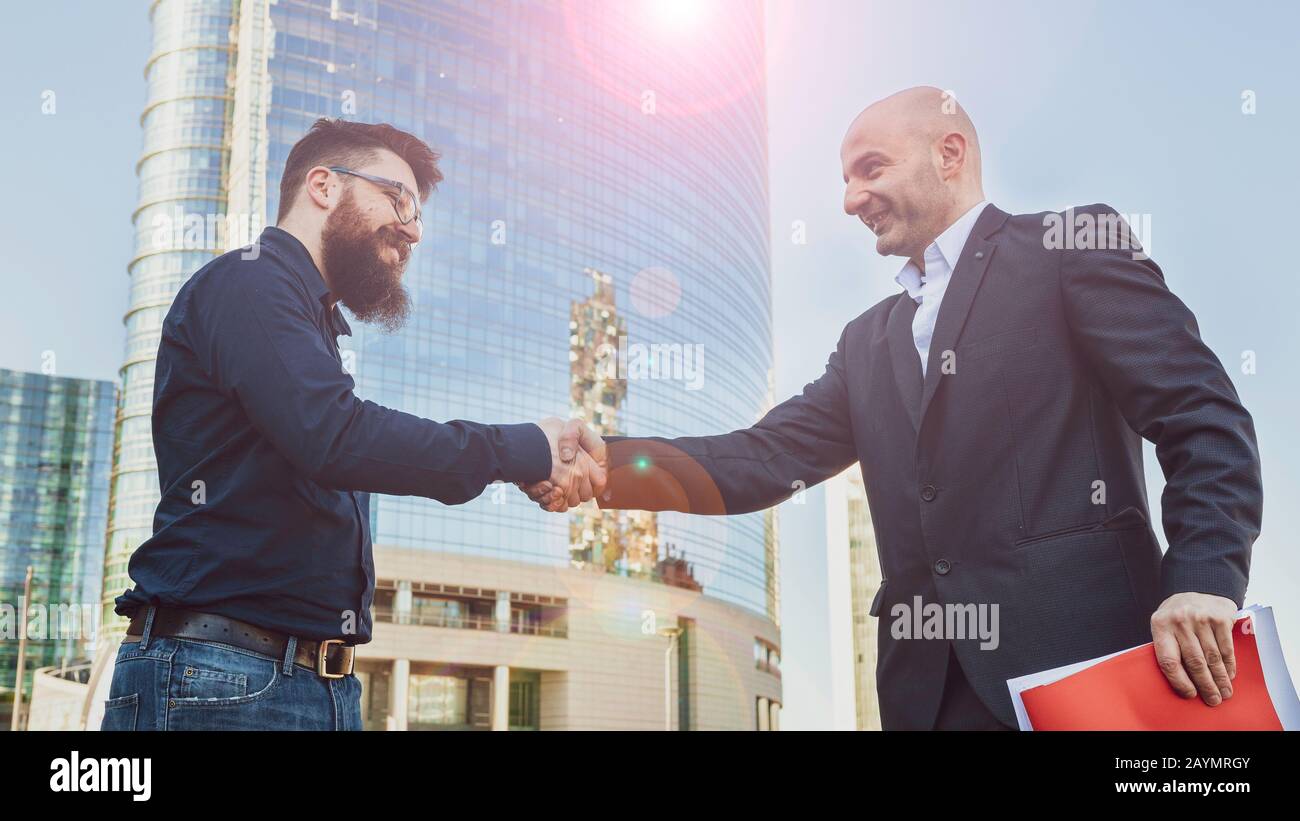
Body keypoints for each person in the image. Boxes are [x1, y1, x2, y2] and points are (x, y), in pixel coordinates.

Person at [522, 86, 1263, 730]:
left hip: (1091, 670)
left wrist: (1203, 576)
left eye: (870, 169)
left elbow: (1203, 418)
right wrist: (604, 464)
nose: (849, 199)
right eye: (844, 180)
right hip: (927, 697)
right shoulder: (865, 343)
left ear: (950, 152)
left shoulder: (1068, 249)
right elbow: (759, 459)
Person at [101, 118, 604, 731]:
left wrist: (532, 459)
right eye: (398, 198)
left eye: (417, 212)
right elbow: (335, 436)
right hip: (222, 679)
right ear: (324, 186)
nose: (414, 229)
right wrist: (523, 449)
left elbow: (340, 444)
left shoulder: (306, 321)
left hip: (309, 682)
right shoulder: (251, 282)